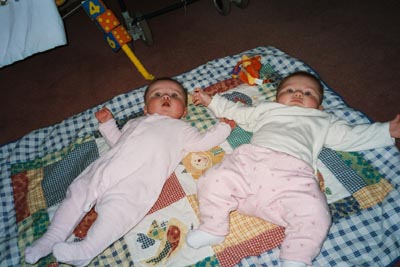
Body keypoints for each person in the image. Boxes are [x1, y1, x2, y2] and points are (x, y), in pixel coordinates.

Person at [185, 71, 400, 267]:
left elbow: (351, 136)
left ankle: (295, 257)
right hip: (252, 163)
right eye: (289, 90)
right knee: (213, 179)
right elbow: (237, 111)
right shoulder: (267, 110)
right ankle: (213, 227)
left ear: (320, 107)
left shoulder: (322, 120)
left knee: (317, 213)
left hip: (293, 177)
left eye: (307, 92)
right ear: (277, 99)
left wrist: (386, 131)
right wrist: (211, 100)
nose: (297, 93)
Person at [25, 77, 232, 267]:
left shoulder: (182, 129)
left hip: (137, 183)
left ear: (184, 112)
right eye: (157, 95)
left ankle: (87, 249)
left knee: (117, 214)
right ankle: (53, 236)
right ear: (145, 109)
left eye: (175, 95)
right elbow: (118, 142)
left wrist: (224, 127)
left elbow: (203, 142)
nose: (166, 97)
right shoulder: (135, 122)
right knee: (77, 192)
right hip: (105, 168)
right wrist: (107, 125)